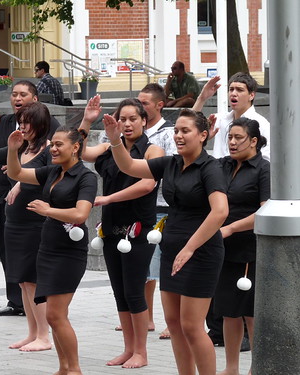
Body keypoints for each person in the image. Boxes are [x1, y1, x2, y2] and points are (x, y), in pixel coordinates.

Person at [104, 108, 229, 375]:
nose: (179, 136)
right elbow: (128, 166)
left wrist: (190, 247)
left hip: (201, 250)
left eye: (186, 131)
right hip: (172, 246)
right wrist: (115, 139)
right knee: (173, 324)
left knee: (192, 326)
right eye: (176, 131)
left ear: (203, 135)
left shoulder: (211, 167)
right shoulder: (170, 163)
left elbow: (220, 212)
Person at [79, 96, 164, 368]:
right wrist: (87, 120)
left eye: (132, 119)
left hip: (138, 228)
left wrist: (107, 199)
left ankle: (141, 351)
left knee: (134, 290)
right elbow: (78, 152)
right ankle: (128, 349)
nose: (127, 124)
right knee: (119, 291)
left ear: (144, 121)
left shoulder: (153, 151)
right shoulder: (108, 146)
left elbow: (147, 185)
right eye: (122, 119)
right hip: (112, 228)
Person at [6, 125, 97, 375]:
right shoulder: (53, 171)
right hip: (48, 247)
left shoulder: (85, 177)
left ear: (75, 147)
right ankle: (63, 368)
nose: (53, 149)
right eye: (52, 145)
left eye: (59, 145)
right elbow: (16, 173)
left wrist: (48, 211)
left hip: (69, 251)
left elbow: (81, 213)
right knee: (55, 315)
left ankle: (75, 369)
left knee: (56, 315)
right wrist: (13, 150)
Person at [0, 80, 60, 317]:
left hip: (35, 210)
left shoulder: (48, 134)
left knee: (33, 267)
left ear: (35, 100)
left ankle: (43, 315)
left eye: (23, 94)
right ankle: (18, 303)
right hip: (9, 203)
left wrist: (20, 180)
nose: (17, 98)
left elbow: (51, 170)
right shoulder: (10, 129)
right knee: (13, 259)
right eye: (14, 94)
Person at [0, 102, 52, 351]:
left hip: (35, 222)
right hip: (15, 222)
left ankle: (44, 335)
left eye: (26, 123)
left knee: (34, 280)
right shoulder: (21, 147)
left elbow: (46, 174)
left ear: (40, 124)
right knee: (22, 281)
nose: (22, 127)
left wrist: (20, 182)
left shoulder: (49, 149)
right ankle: (32, 333)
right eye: (20, 123)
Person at [215, 118, 270, 375]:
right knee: (228, 311)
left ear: (254, 141)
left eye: (239, 138)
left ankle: (256, 368)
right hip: (222, 247)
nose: (233, 143)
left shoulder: (263, 169)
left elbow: (265, 210)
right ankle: (231, 368)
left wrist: (232, 227)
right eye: (230, 137)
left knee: (250, 312)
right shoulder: (223, 165)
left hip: (249, 247)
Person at [138, 83, 176, 339]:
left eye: (144, 103)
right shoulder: (134, 133)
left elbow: (173, 166)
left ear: (159, 105)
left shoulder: (167, 134)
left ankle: (171, 322)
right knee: (144, 267)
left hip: (165, 206)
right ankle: (146, 317)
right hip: (141, 206)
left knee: (164, 266)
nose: (140, 107)